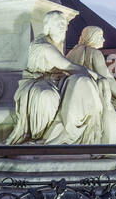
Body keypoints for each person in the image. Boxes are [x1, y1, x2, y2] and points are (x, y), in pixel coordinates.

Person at [6, 11, 105, 146]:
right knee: (47, 96)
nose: (62, 27)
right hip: (37, 82)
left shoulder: (55, 43)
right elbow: (67, 65)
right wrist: (95, 75)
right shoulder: (43, 46)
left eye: (64, 24)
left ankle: (71, 130)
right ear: (48, 26)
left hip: (54, 81)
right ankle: (41, 137)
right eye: (58, 23)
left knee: (80, 85)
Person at [66, 26, 116, 143]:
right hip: (98, 92)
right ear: (92, 37)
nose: (104, 40)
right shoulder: (94, 53)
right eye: (101, 37)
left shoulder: (71, 53)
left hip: (86, 93)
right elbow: (108, 79)